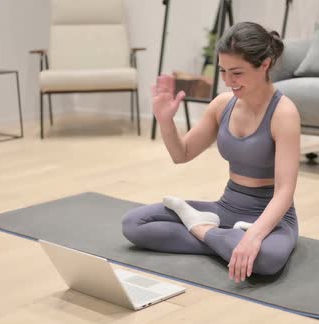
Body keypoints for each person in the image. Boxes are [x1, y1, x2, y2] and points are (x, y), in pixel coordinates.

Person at [122, 22, 301, 283]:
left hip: (271, 216)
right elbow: (181, 153)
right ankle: (225, 242)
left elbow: (285, 191)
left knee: (266, 259)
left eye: (236, 73)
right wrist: (165, 120)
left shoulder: (284, 114)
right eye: (223, 71)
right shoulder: (222, 104)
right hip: (226, 208)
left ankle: (201, 229)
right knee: (134, 224)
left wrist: (253, 237)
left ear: (264, 64)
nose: (228, 81)